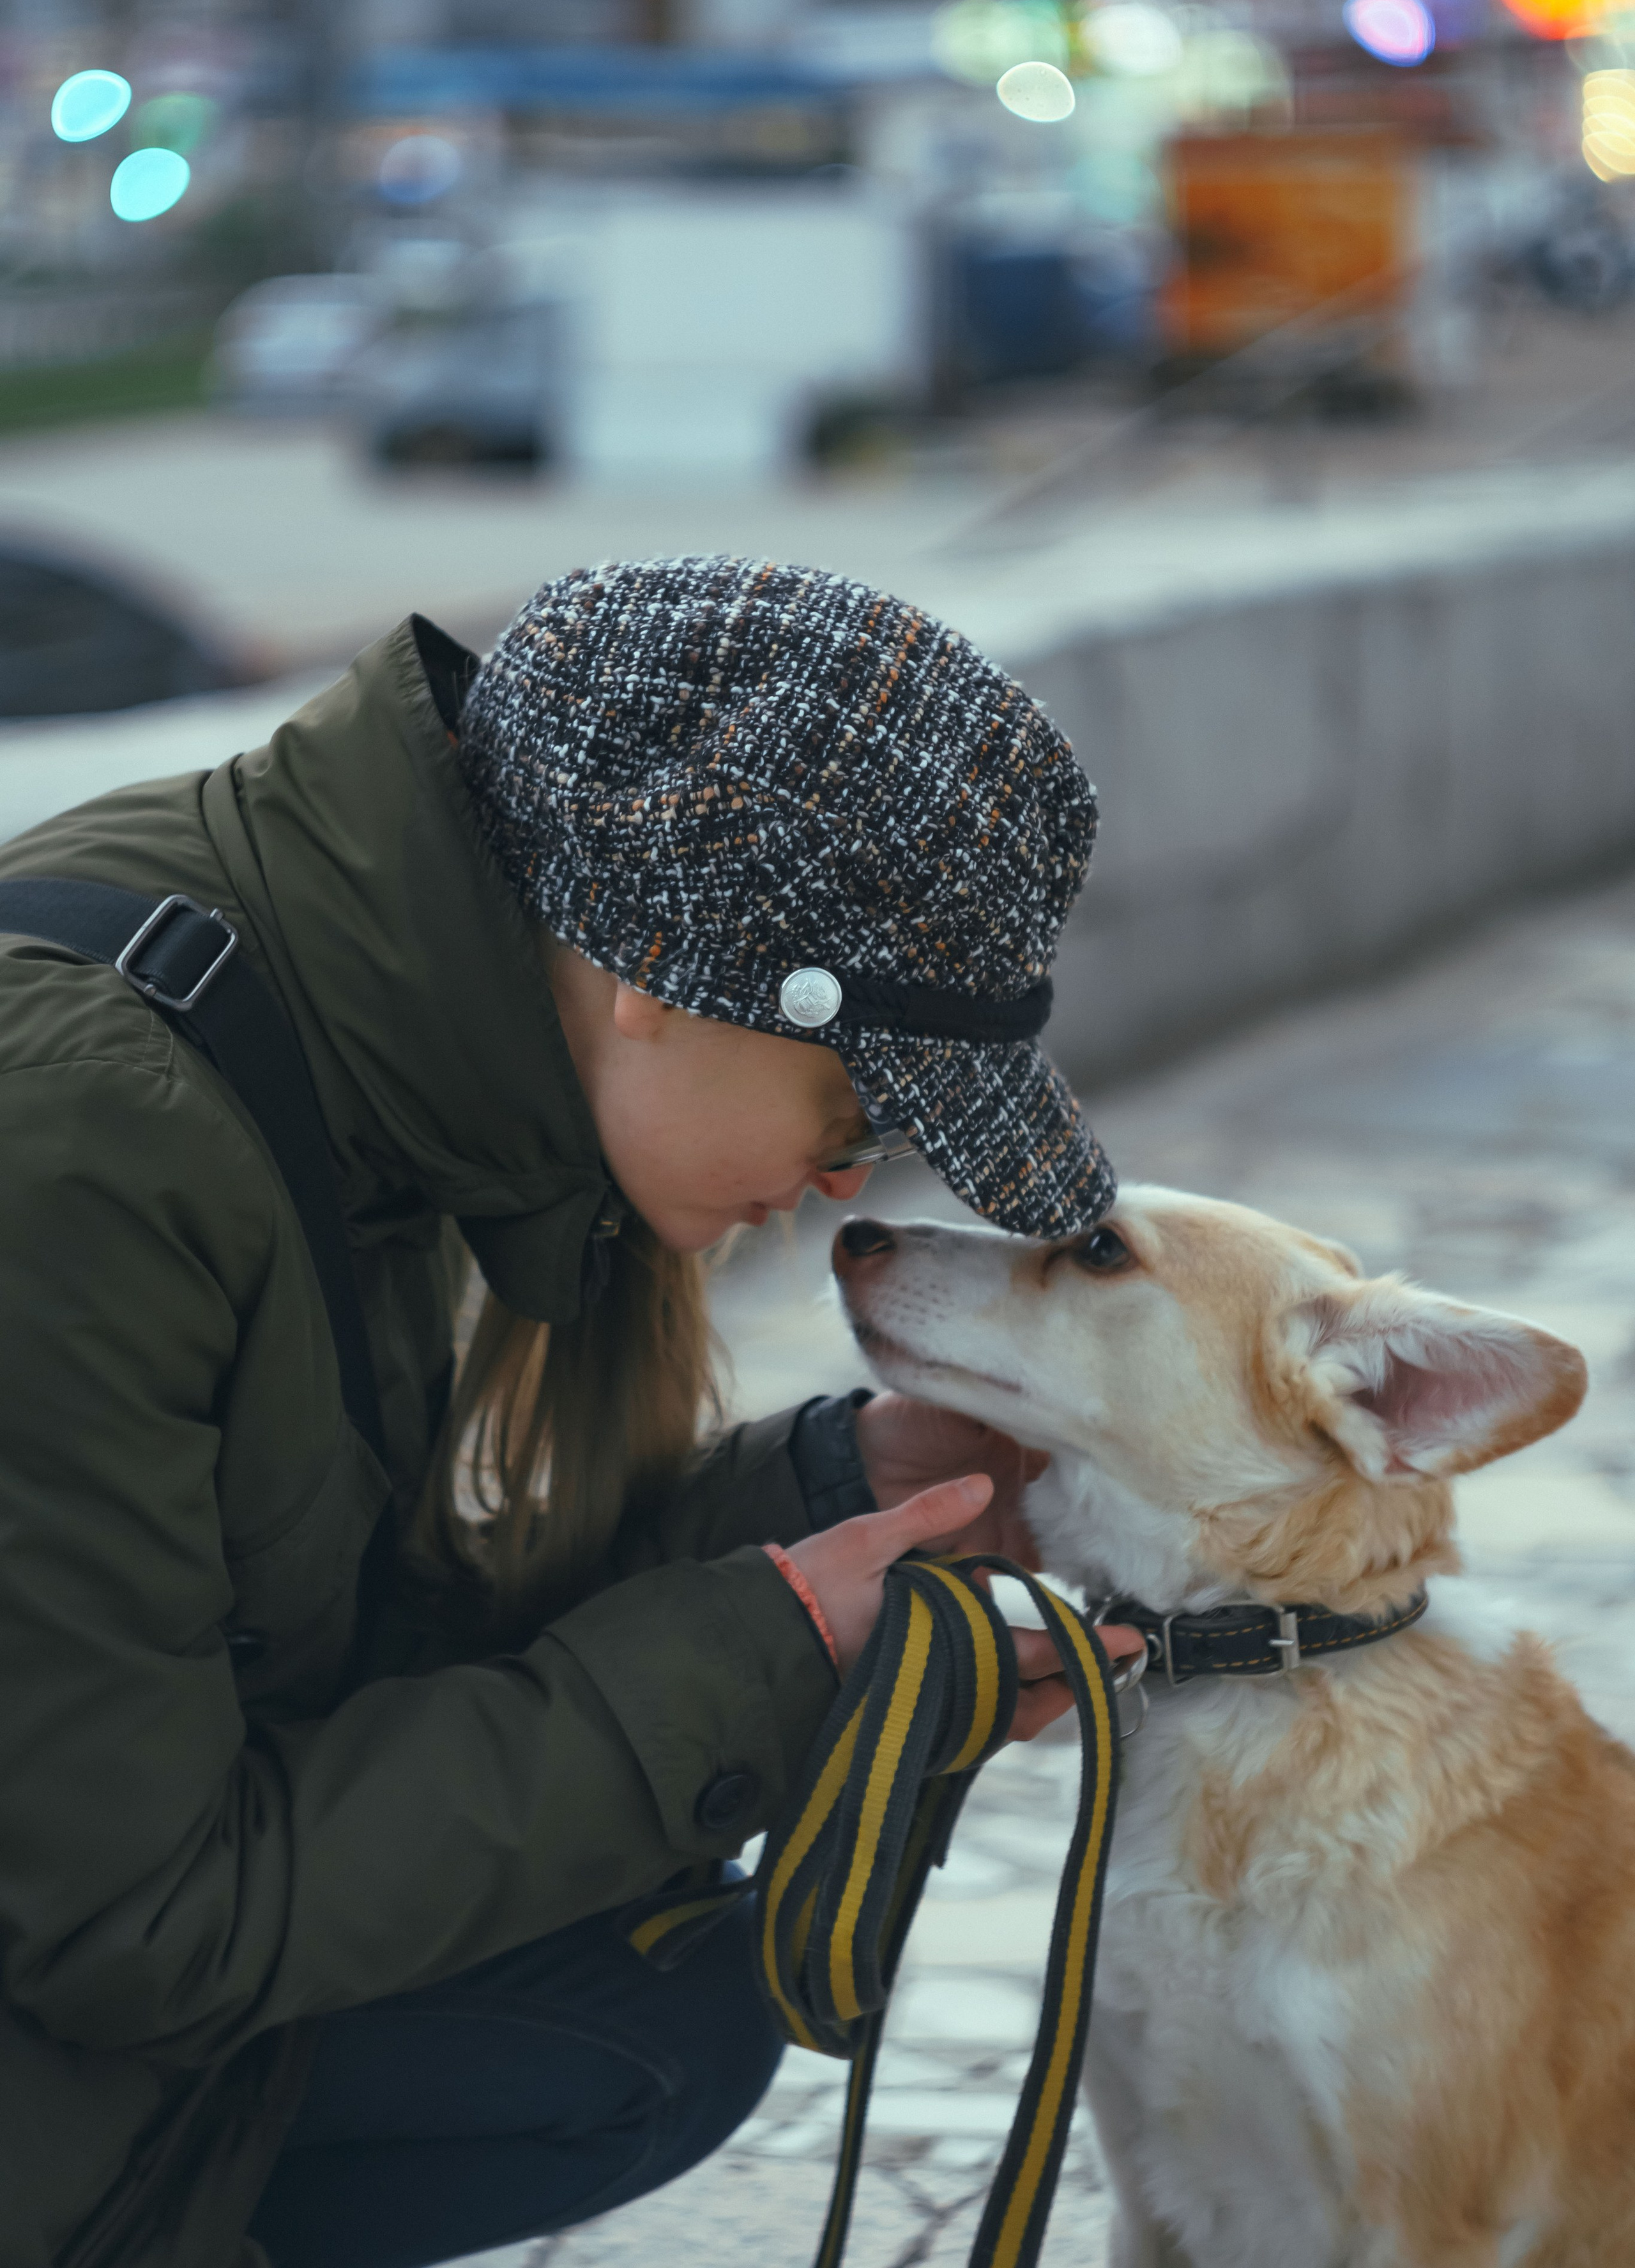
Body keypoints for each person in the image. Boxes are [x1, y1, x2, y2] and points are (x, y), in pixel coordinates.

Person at [0, 555, 1139, 2268]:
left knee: (663, 2003)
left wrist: (815, 1500)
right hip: (87, 1981)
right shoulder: (95, 1141)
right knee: (634, 2017)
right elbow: (141, 1926)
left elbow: (300, 1650)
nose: (845, 1175)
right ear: (657, 976)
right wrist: (765, 1659)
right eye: (853, 1097)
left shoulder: (310, 1017)